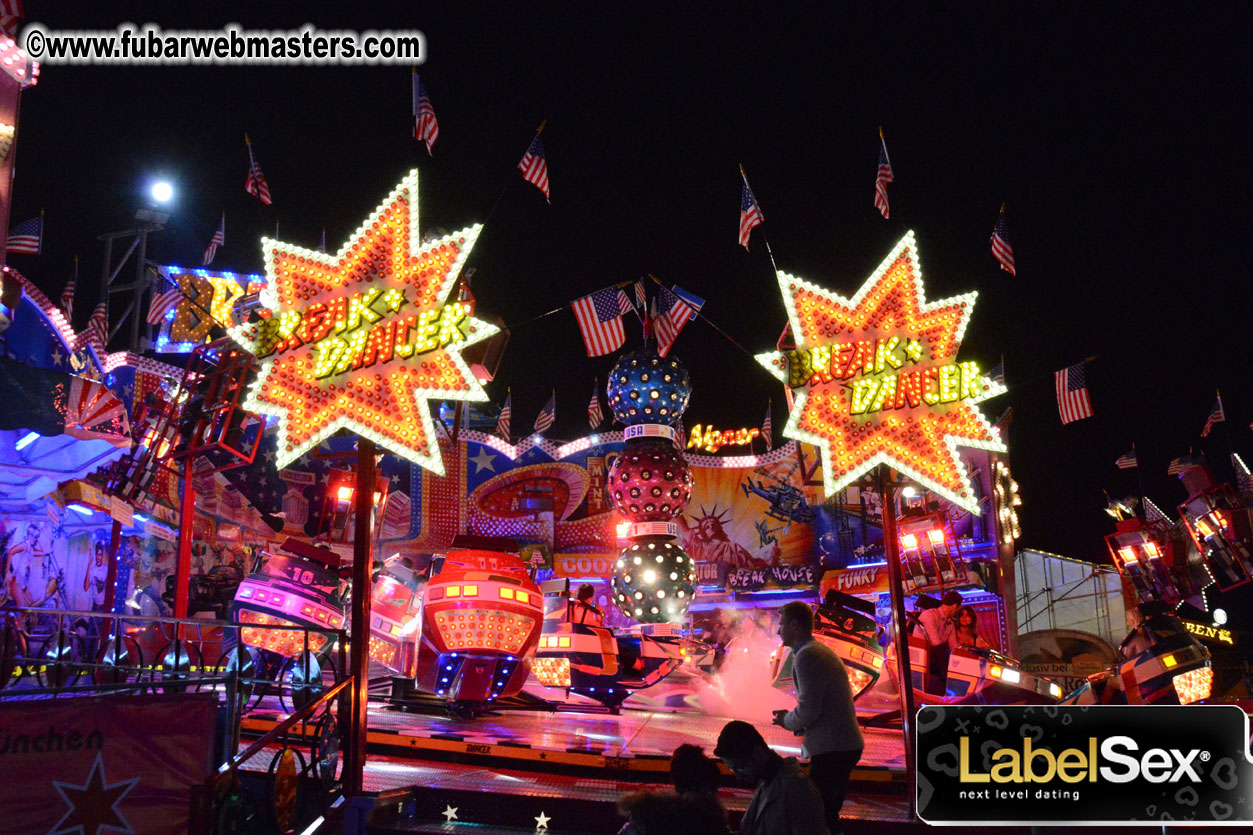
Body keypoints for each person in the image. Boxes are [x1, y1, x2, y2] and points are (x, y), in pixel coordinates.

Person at [770, 601, 863, 834]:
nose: (779, 631)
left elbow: (809, 709)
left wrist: (786, 721)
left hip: (834, 748)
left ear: (794, 625)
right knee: (825, 813)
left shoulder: (808, 656)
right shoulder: (814, 651)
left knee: (819, 814)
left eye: (782, 624)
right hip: (839, 745)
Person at [713, 720, 825, 835]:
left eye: (740, 768)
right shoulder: (767, 781)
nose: (738, 776)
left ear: (757, 752)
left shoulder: (798, 789)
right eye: (733, 770)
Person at [916, 590, 961, 693]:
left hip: (934, 660)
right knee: (941, 652)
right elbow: (935, 642)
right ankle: (948, 687)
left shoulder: (950, 624)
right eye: (958, 609)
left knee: (951, 657)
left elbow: (954, 648)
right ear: (955, 606)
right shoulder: (930, 615)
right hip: (921, 657)